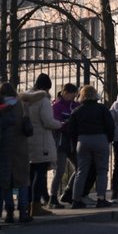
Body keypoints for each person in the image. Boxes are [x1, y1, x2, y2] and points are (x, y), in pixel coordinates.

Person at [67, 85, 113, 210]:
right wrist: (108, 139)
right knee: (102, 171)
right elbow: (110, 125)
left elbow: (71, 130)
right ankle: (101, 198)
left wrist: (77, 141)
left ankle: (76, 200)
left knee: (81, 171)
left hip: (83, 140)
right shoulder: (102, 109)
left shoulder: (77, 110)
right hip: (100, 138)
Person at [25, 73, 60, 217]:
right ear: (46, 87)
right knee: (40, 174)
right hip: (41, 141)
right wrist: (60, 124)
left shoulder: (25, 99)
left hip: (27, 140)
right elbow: (47, 121)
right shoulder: (43, 100)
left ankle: (26, 205)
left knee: (29, 174)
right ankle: (36, 205)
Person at [2, 82, 34, 222]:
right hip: (21, 146)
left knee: (6, 182)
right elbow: (28, 126)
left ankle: (9, 212)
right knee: (22, 181)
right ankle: (23, 212)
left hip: (4, 147)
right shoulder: (22, 105)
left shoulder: (2, 107)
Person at [49, 83, 78, 209]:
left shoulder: (75, 105)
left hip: (72, 140)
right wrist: (66, 122)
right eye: (72, 95)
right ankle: (53, 197)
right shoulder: (56, 106)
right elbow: (55, 123)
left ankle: (68, 191)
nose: (73, 98)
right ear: (65, 93)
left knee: (80, 168)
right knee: (59, 171)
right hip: (61, 140)